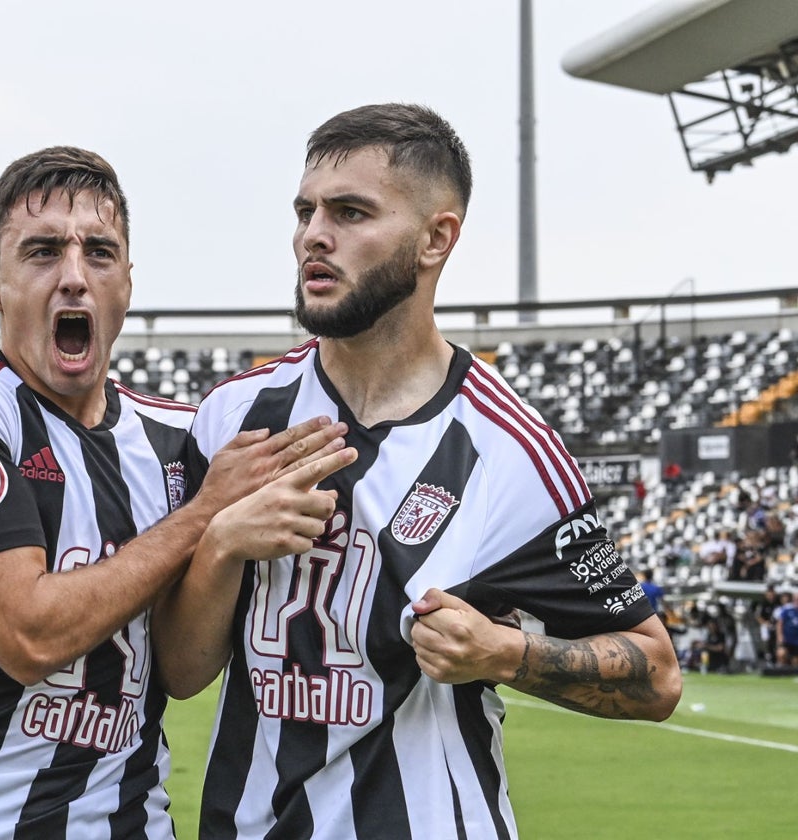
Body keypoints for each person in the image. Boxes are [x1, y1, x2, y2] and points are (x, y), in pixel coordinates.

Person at [153, 103, 682, 838]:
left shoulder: (512, 452)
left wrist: (505, 651)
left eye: (351, 212)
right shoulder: (232, 417)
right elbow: (180, 674)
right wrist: (218, 546)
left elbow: (656, 675)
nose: (314, 235)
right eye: (305, 211)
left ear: (437, 238)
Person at [0, 145, 354, 838]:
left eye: (99, 252)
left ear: (127, 281)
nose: (74, 277)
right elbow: (28, 635)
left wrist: (221, 543)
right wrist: (205, 517)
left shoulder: (175, 440)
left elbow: (184, 672)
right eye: (41, 252)